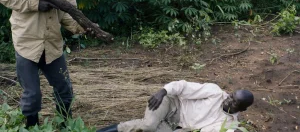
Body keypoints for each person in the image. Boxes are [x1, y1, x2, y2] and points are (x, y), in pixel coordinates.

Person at [0, 0, 84, 128]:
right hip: (27, 42)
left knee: (64, 90)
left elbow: (67, 13)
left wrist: (81, 27)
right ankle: (32, 127)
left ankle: (65, 125)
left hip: (52, 43)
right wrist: (35, 5)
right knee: (32, 95)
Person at [97, 80, 254, 132]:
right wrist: (163, 91)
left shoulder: (229, 124)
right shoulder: (215, 92)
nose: (228, 99)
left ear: (242, 109)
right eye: (231, 96)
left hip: (177, 125)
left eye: (234, 102)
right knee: (148, 126)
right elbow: (184, 87)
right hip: (171, 104)